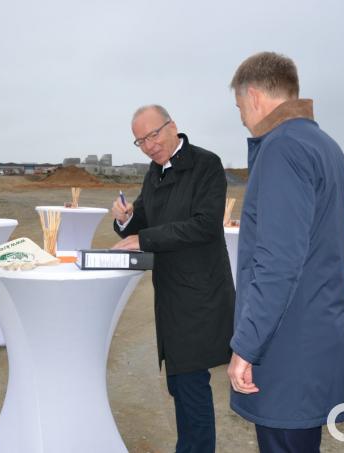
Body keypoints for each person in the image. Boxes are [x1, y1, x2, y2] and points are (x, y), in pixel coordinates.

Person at [225, 51, 344, 452]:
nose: (240, 118)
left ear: (253, 95)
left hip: (288, 349)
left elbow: (278, 262)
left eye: (238, 107)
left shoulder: (282, 149)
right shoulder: (324, 146)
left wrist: (245, 347)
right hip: (316, 338)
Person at [112, 105, 235, 453]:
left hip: (200, 295)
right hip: (170, 295)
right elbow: (143, 218)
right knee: (180, 385)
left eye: (153, 135)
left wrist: (145, 239)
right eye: (140, 141)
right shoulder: (155, 172)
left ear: (173, 126)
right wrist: (126, 219)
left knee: (191, 386)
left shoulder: (206, 164)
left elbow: (204, 224)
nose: (149, 146)